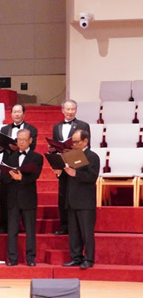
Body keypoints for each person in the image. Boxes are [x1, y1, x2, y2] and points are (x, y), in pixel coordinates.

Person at [57, 129, 99, 269]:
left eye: (76, 142)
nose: (73, 144)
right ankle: (75, 257)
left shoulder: (92, 156)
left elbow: (92, 176)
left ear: (85, 141)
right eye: (72, 142)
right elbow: (67, 177)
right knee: (74, 233)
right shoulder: (71, 155)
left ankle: (89, 259)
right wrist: (60, 173)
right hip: (72, 199)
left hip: (85, 201)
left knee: (87, 232)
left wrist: (75, 173)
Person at [0, 104, 38, 234]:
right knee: (5, 197)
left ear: (24, 113)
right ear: (11, 114)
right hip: (8, 164)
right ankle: (4, 225)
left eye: (19, 112)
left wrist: (18, 147)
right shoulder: (4, 128)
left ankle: (24, 225)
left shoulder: (31, 129)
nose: (17, 114)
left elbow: (33, 147)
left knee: (23, 196)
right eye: (14, 112)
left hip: (24, 164)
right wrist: (3, 146)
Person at [3, 129, 43, 266]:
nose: (21, 142)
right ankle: (12, 258)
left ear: (30, 141)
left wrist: (21, 178)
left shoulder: (37, 157)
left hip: (28, 198)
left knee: (30, 230)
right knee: (12, 230)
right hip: (13, 197)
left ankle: (30, 258)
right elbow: (3, 176)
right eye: (19, 139)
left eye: (24, 140)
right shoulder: (10, 157)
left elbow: (35, 176)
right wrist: (10, 176)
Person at [51, 99, 91, 236]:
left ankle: (77, 226)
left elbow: (87, 146)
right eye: (67, 109)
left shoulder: (83, 125)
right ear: (62, 110)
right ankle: (64, 226)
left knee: (75, 194)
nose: (70, 112)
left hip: (76, 163)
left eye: (72, 109)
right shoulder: (56, 127)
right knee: (63, 195)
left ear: (76, 110)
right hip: (62, 164)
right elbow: (55, 145)